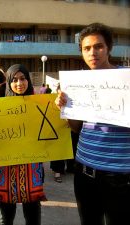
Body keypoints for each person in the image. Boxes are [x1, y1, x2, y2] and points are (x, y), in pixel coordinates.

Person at [55, 23, 130, 225]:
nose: (93, 53)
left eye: (98, 46)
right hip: (85, 173)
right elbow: (76, 128)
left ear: (109, 48)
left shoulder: (126, 79)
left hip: (121, 178)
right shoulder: (77, 83)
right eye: (87, 48)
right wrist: (66, 108)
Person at [0, 64, 46, 225]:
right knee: (5, 214)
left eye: (23, 78)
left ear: (28, 80)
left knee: (32, 211)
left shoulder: (40, 105)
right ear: (8, 82)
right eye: (14, 80)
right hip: (5, 165)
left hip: (31, 166)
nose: (19, 83)